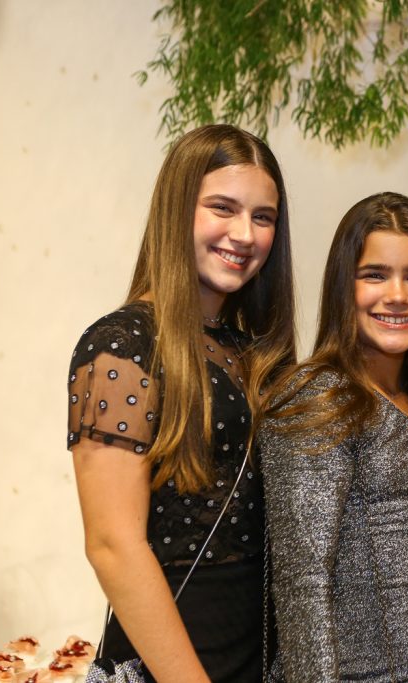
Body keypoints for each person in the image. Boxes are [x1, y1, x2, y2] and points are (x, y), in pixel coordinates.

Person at [67, 124, 297, 682]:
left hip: (260, 656)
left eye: (262, 217)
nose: (244, 233)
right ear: (177, 210)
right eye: (223, 208)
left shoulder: (253, 352)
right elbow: (113, 544)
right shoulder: (119, 347)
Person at [258, 192, 408, 682]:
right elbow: (301, 580)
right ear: (342, 287)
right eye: (374, 275)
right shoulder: (317, 398)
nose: (397, 295)